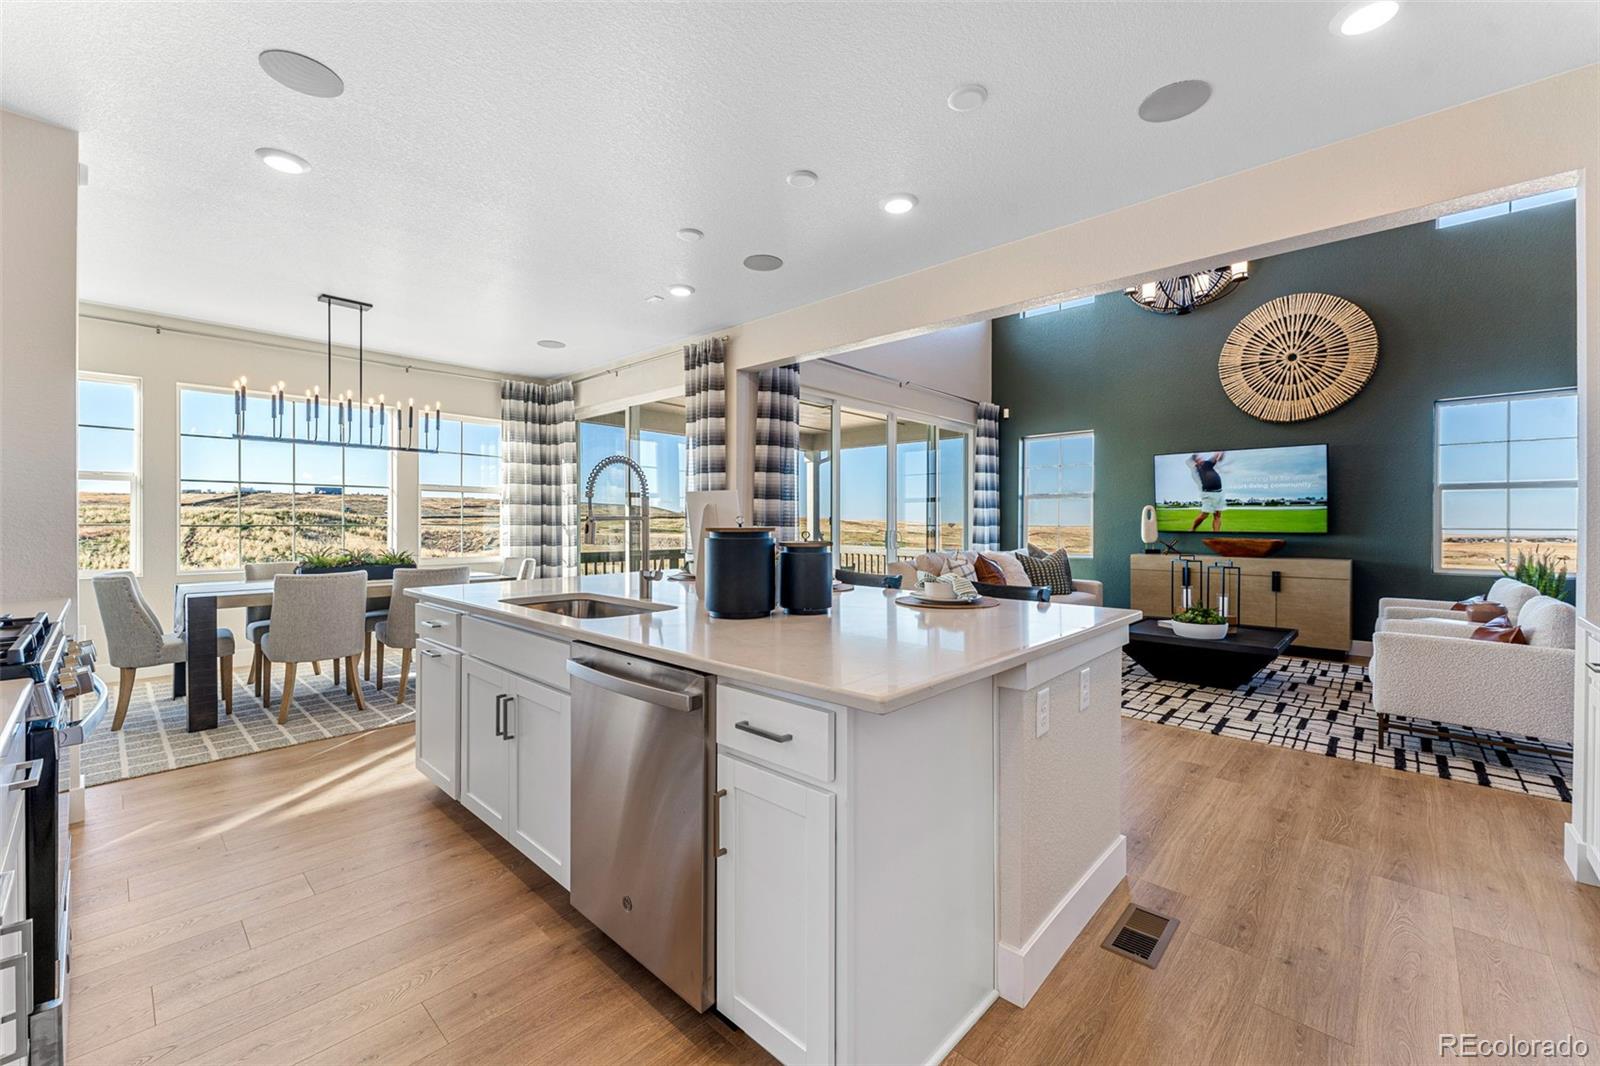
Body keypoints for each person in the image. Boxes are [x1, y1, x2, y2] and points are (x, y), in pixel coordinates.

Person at [1188, 452, 1226, 532]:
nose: (1201, 459)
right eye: (1198, 458)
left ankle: (1216, 534)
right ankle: (1192, 529)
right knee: (1204, 515)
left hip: (1219, 492)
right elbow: (1217, 457)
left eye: (1200, 457)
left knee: (1217, 515)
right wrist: (1220, 453)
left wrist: (1221, 453)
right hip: (1208, 494)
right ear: (1195, 461)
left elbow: (1218, 458)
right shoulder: (1202, 466)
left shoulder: (1205, 464)